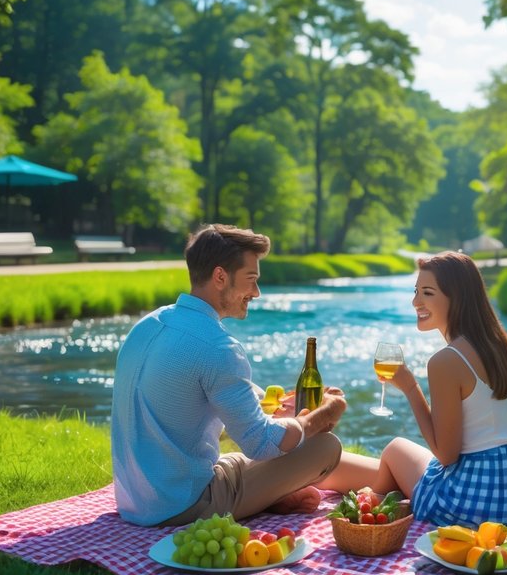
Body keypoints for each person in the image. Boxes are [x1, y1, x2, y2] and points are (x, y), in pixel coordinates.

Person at [111, 223, 352, 527]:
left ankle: (269, 496)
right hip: (184, 506)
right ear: (220, 276)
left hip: (135, 500)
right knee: (324, 446)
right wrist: (323, 415)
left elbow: (206, 393)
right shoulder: (218, 346)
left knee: (261, 453)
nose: (257, 292)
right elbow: (260, 444)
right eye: (251, 280)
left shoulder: (147, 325)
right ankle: (266, 496)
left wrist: (278, 410)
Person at [333, 250, 507, 528]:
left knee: (394, 449)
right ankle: (365, 493)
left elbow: (446, 455)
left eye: (427, 293)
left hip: (477, 508)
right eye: (416, 291)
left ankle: (369, 505)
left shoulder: (446, 361)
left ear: (456, 298)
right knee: (400, 463)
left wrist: (410, 388)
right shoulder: (506, 344)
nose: (415, 302)